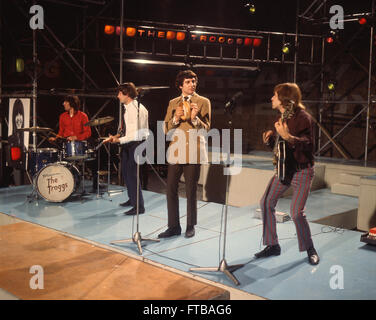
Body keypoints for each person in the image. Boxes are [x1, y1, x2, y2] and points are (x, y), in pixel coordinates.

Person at [256, 82, 320, 265]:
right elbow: (281, 148)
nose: (271, 98)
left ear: (283, 98)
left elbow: (308, 145)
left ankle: (310, 248)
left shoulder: (303, 118)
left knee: (296, 213)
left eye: (274, 95)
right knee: (266, 202)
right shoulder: (281, 117)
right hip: (285, 170)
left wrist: (288, 137)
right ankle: (272, 245)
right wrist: (270, 141)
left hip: (302, 171)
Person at [158, 70, 211, 239]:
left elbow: (208, 128)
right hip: (176, 150)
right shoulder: (173, 103)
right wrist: (175, 118)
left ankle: (190, 225)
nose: (192, 84)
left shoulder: (203, 102)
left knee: (191, 190)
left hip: (194, 151)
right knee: (171, 189)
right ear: (180, 85)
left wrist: (195, 119)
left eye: (194, 81)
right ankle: (173, 226)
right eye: (188, 82)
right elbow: (166, 129)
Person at [105, 82, 149, 215]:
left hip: (136, 143)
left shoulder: (136, 109)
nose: (117, 96)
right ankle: (132, 200)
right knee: (126, 173)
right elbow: (126, 130)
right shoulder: (128, 107)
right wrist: (117, 136)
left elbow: (135, 134)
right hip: (129, 143)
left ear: (127, 94)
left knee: (132, 175)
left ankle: (139, 207)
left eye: (119, 93)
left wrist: (118, 140)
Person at [49, 95, 99, 192]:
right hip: (67, 144)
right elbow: (61, 132)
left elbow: (88, 132)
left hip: (80, 144)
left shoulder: (83, 116)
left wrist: (76, 137)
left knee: (93, 158)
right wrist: (55, 138)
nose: (63, 104)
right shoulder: (62, 116)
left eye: (65, 102)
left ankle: (95, 183)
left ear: (71, 103)